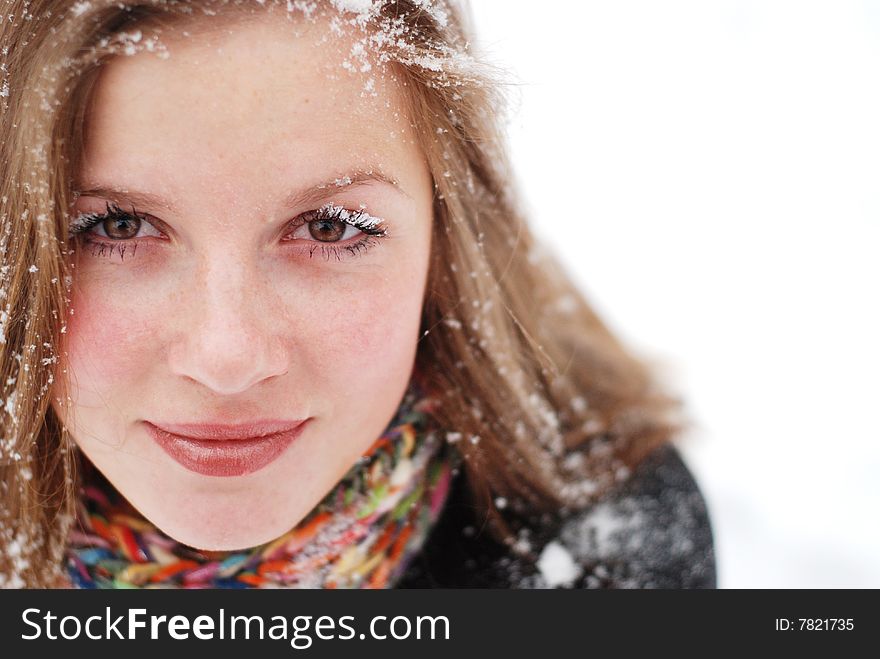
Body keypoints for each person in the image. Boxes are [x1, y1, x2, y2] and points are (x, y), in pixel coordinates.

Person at [0, 0, 715, 589]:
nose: (228, 358)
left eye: (328, 226)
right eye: (117, 226)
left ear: (448, 233)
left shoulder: (606, 556)